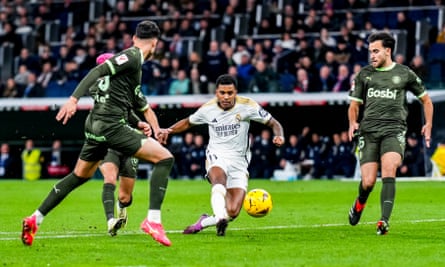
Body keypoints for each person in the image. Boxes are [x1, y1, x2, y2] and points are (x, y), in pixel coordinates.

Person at [21, 20, 175, 247]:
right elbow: (99, 69)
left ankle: (35, 218)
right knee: (165, 158)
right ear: (155, 43)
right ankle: (153, 221)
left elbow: (138, 104)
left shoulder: (132, 69)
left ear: (134, 37)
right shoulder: (132, 57)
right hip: (112, 126)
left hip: (94, 125)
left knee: (79, 176)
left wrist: (151, 127)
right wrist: (73, 99)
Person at [166, 74, 284, 236]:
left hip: (239, 162)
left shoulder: (248, 106)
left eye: (230, 93)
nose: (226, 97)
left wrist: (279, 135)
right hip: (216, 155)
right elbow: (188, 122)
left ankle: (205, 221)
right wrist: (168, 131)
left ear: (236, 92)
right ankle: (220, 218)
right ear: (217, 92)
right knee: (219, 181)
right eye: (222, 92)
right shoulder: (208, 108)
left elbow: (273, 122)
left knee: (233, 211)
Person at [347, 31, 433, 235]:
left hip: (394, 131)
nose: (372, 56)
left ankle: (383, 221)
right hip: (368, 132)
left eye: (376, 51)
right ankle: (360, 202)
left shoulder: (405, 74)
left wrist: (428, 124)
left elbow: (426, 100)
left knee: (389, 168)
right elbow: (354, 105)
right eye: (370, 52)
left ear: (388, 51)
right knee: (368, 181)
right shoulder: (364, 74)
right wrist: (352, 122)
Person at [93, 52, 153, 237]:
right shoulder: (97, 88)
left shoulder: (125, 86)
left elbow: (127, 111)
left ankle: (121, 207)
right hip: (108, 141)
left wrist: (139, 123)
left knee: (125, 196)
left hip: (128, 142)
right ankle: (111, 220)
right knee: (109, 178)